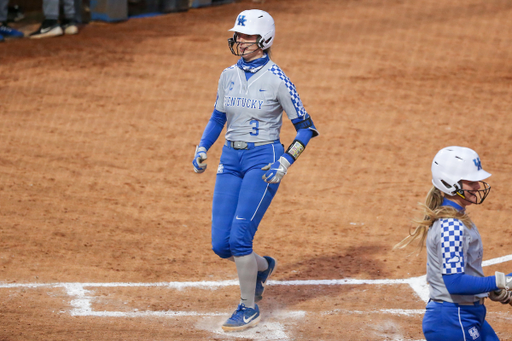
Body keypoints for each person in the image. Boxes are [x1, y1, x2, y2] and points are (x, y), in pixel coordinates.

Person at [192, 9, 318, 332]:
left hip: (263, 162)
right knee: (222, 244)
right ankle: (263, 267)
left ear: (264, 40)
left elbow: (306, 128)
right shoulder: (227, 75)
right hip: (230, 161)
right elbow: (218, 117)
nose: (240, 41)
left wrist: (286, 162)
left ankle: (248, 308)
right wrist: (203, 146)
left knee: (240, 238)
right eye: (239, 35)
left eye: (247, 36)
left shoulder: (278, 79)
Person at [394, 146, 512, 341]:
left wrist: (494, 289)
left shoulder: (458, 218)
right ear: (450, 183)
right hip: (453, 320)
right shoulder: (451, 227)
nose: (477, 186)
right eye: (471, 181)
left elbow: (466, 273)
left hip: (467, 315)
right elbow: (454, 282)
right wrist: (500, 281)